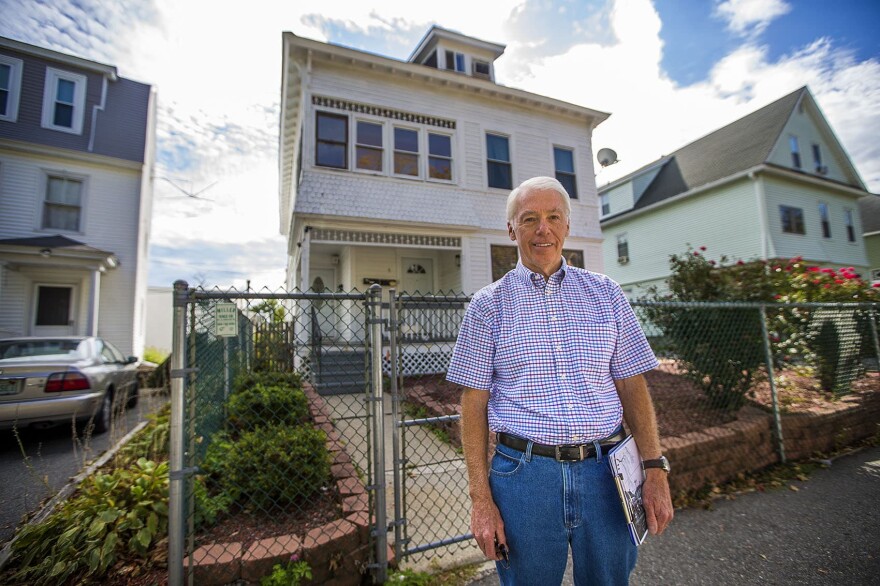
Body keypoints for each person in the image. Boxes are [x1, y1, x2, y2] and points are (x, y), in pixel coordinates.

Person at [446, 176, 673, 585]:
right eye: (529, 218)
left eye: (553, 217)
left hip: (608, 476)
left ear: (568, 225)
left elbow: (632, 385)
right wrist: (481, 499)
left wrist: (655, 469)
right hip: (525, 479)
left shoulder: (606, 293)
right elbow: (473, 405)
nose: (542, 229)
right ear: (511, 229)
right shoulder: (487, 306)